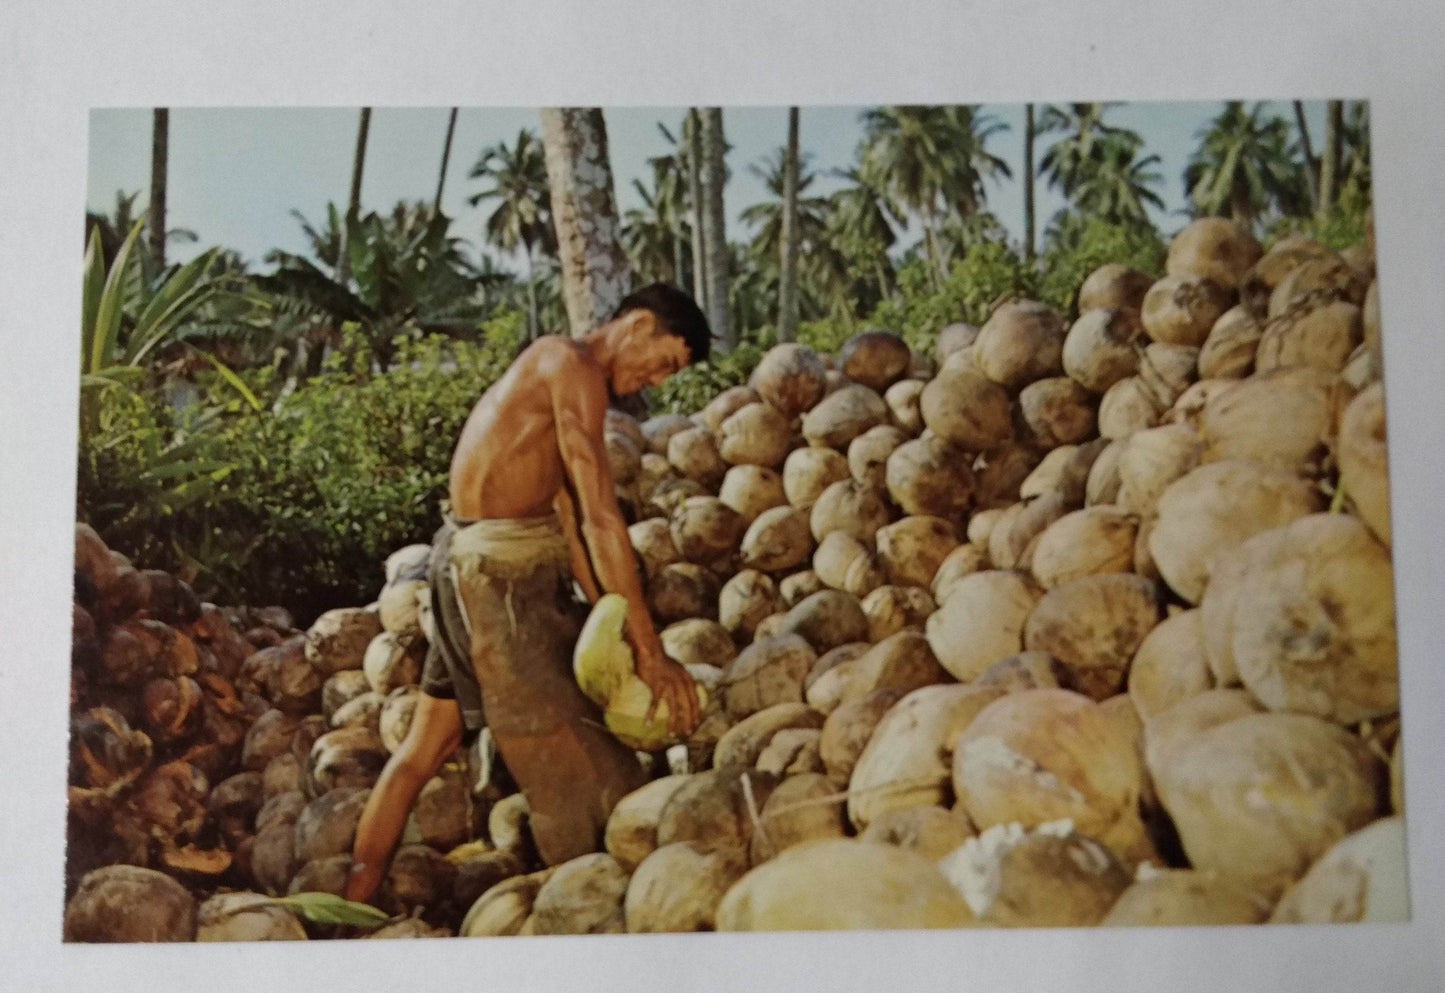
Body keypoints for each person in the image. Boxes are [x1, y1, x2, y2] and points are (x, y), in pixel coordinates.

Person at [345, 283, 711, 905]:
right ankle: (594, 906)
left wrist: (611, 617)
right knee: (558, 754)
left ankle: (351, 902)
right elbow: (599, 514)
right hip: (487, 581)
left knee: (425, 747)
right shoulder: (569, 364)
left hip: (495, 571)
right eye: (665, 361)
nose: (657, 378)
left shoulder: (566, 374)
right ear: (639, 323)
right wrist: (650, 652)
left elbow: (568, 515)